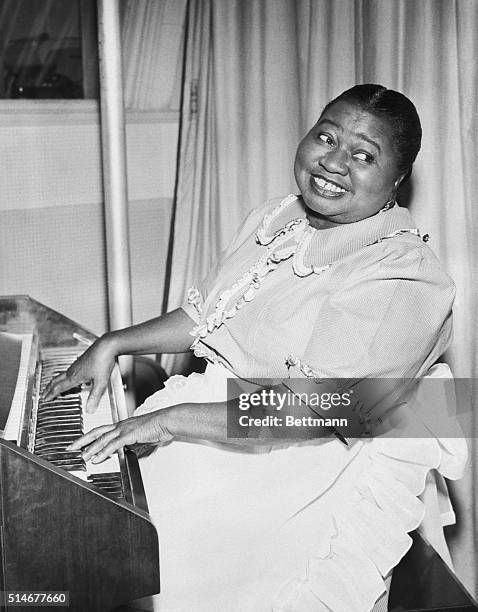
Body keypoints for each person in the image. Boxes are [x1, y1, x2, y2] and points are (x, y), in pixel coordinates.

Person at [44, 84, 467, 612]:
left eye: (363, 155)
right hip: (223, 418)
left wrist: (168, 420)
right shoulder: (277, 219)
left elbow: (319, 409)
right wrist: (114, 343)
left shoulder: (404, 275)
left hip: (304, 451)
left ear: (398, 179)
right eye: (326, 136)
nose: (333, 162)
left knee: (149, 553)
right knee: (98, 523)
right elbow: (207, 316)